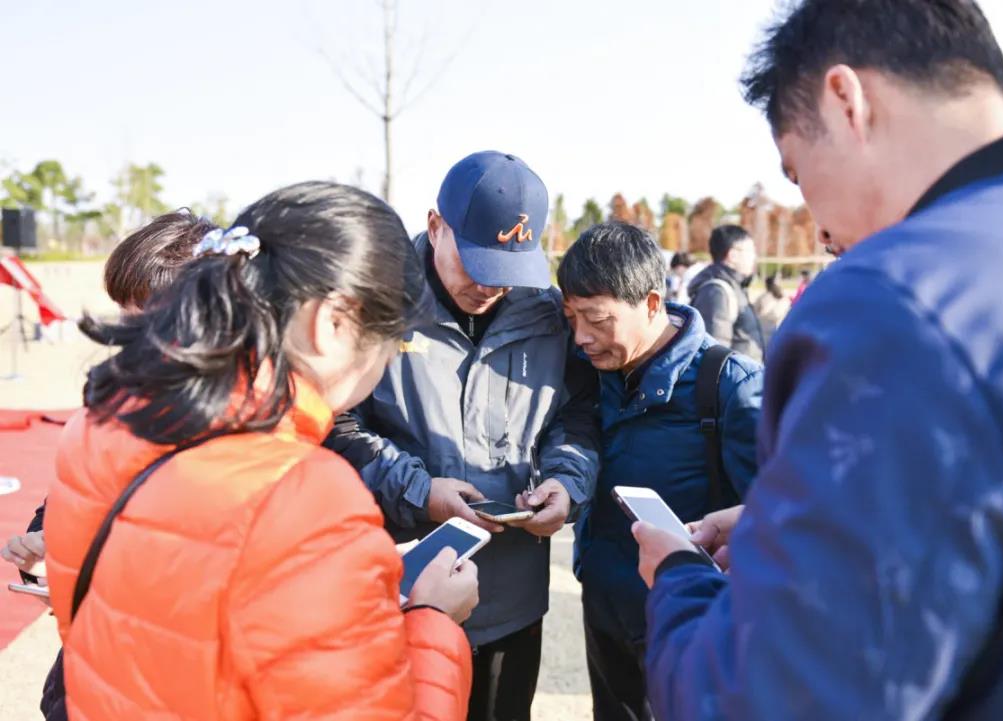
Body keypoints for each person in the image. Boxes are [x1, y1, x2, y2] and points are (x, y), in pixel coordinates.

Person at [633, 1, 1003, 719]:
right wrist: (795, 517)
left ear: (847, 101)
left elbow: (773, 698)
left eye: (797, 170)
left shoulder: (897, 302)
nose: (817, 222)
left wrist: (681, 580)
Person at [44, 183, 478, 720]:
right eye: (391, 340)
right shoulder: (305, 495)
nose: (386, 362)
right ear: (331, 322)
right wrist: (434, 620)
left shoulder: (101, 419)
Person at [326, 151, 600, 721]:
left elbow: (576, 417)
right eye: (476, 261)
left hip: (512, 598)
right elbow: (338, 425)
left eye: (508, 268)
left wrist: (566, 483)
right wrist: (419, 490)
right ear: (434, 226)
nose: (490, 284)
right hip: (401, 588)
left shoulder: (549, 318)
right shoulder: (378, 308)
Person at [3, 210, 220, 721]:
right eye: (123, 315)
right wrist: (44, 547)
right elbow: (64, 502)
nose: (126, 335)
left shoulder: (250, 439)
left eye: (145, 318)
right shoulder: (113, 405)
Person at [559, 222, 763, 721]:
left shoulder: (730, 386)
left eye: (597, 319)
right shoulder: (592, 372)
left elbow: (781, 514)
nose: (581, 336)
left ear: (652, 304)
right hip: (604, 610)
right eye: (571, 318)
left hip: (685, 626)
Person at [687, 225, 766, 361]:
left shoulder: (735, 286)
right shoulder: (716, 291)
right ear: (733, 255)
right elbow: (714, 355)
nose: (754, 257)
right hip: (734, 380)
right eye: (751, 251)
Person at [752, 273, 791, 348]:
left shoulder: (763, 297)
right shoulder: (785, 299)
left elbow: (754, 312)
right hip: (778, 332)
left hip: (763, 331)